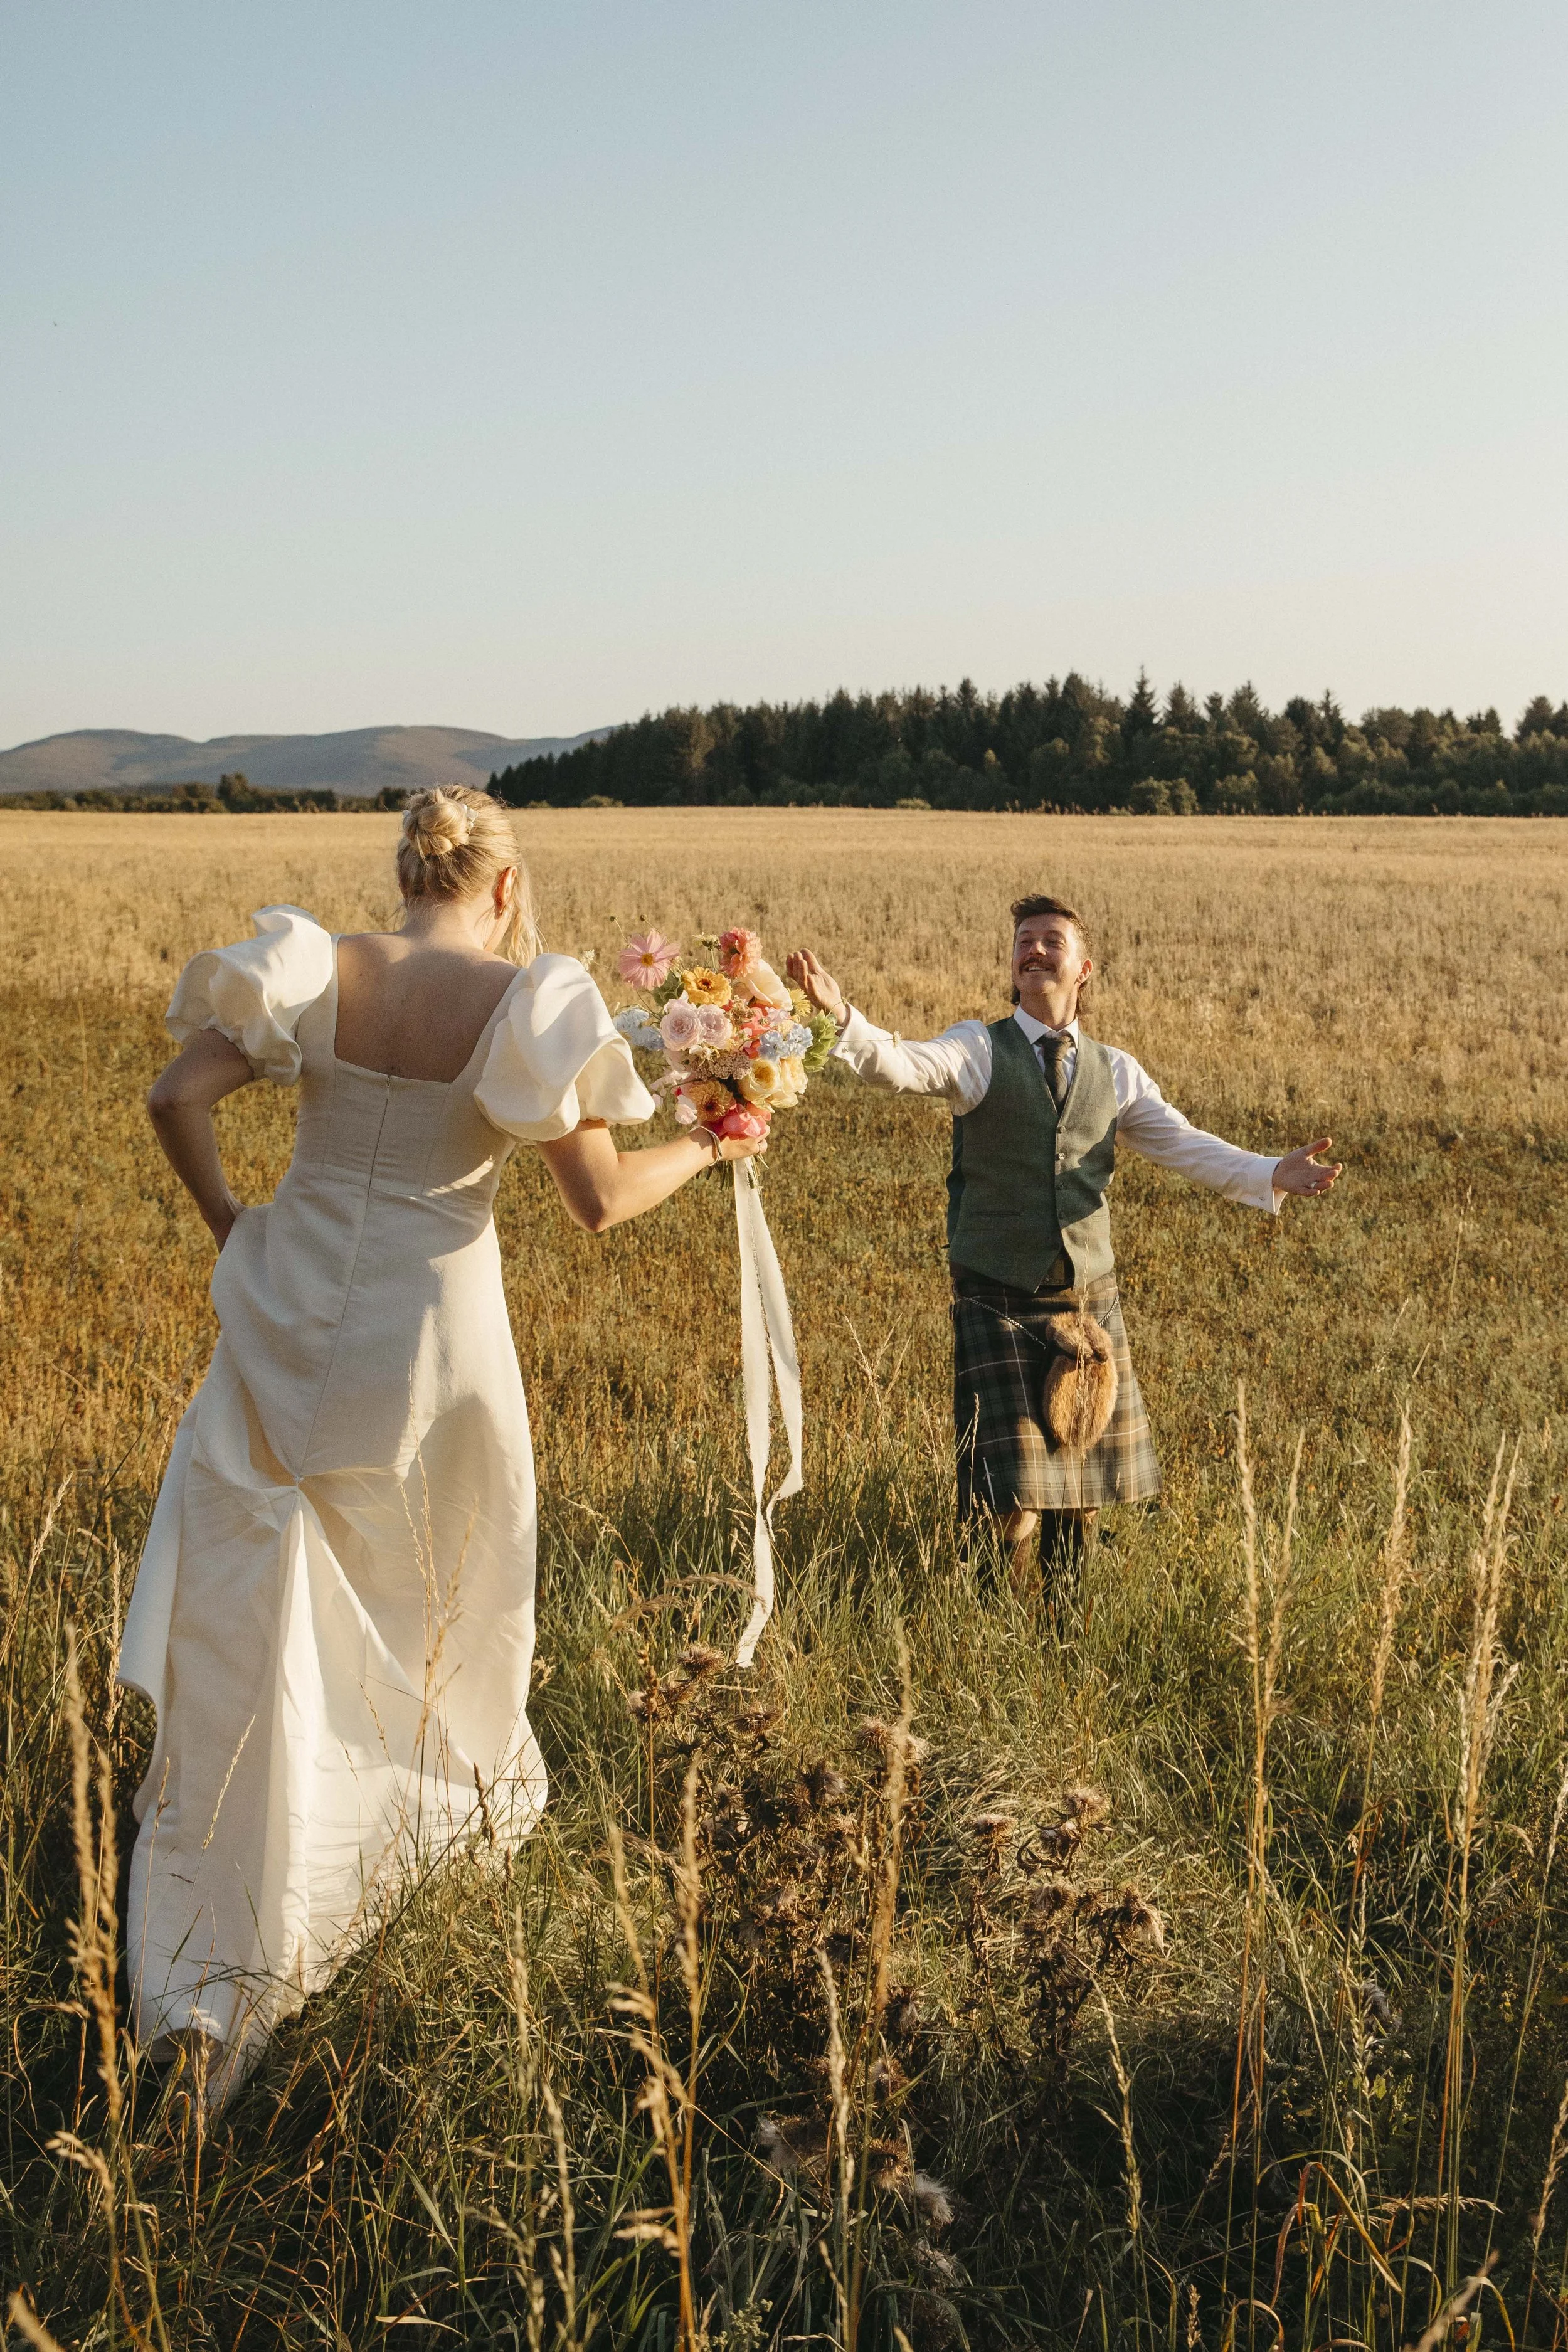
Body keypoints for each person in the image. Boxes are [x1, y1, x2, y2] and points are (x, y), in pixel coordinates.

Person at [118, 784, 763, 2103]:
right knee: (428, 1616)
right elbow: (595, 1203)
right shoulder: (529, 1002)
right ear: (505, 886)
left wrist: (236, 1226)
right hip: (427, 1347)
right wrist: (710, 1144)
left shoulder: (315, 966)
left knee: (256, 1607)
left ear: (407, 872)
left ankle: (208, 1955)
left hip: (286, 1311)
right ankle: (352, 1869)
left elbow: (174, 1097)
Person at [787, 895, 1339, 1594]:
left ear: (1084, 969)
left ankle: (1067, 1626)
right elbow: (902, 1066)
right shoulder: (977, 1048)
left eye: (1052, 940)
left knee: (1080, 1491)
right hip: (998, 1294)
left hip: (1087, 1299)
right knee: (1008, 1495)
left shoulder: (1117, 1071)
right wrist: (843, 1016)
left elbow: (1181, 1144)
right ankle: (992, 1624)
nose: (1035, 950)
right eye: (1025, 940)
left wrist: (1270, 1172)